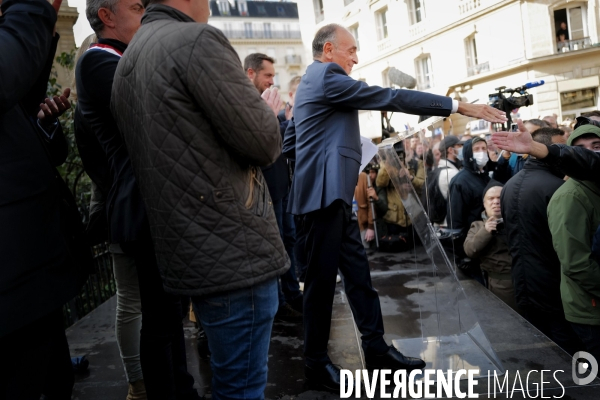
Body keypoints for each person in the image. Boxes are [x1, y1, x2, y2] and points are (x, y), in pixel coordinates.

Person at [282, 23, 506, 391]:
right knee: (321, 287)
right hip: (323, 200)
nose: (356, 57)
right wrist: (458, 105)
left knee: (359, 278)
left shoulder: (311, 84)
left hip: (329, 196)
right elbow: (389, 96)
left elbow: (291, 144)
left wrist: (335, 155)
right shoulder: (327, 76)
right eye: (350, 49)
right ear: (327, 50)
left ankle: (375, 349)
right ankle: (315, 364)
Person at [110, 0, 288, 398]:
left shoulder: (129, 60)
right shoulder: (196, 40)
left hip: (187, 249)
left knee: (230, 381)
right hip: (234, 250)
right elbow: (262, 143)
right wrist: (267, 114)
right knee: (241, 388)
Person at [75, 0, 179, 398]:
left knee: (165, 317)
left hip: (145, 201)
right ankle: (149, 388)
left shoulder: (117, 57)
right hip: (136, 205)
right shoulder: (98, 60)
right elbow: (160, 101)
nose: (146, 15)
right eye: (137, 7)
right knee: (152, 316)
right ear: (107, 16)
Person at [0, 0, 90, 398]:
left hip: (30, 275)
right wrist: (33, 7)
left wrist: (44, 121)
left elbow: (15, 101)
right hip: (13, 281)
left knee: (55, 380)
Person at [500, 128, 581, 355]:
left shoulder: (510, 185)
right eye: (559, 148)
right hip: (554, 284)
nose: (564, 154)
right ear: (542, 149)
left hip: (524, 282)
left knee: (541, 349)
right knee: (566, 347)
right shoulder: (558, 188)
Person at [244, 53, 303, 320]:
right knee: (275, 245)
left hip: (282, 185)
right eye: (267, 75)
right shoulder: (244, 105)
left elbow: (280, 142)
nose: (272, 81)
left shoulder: (273, 104)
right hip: (263, 189)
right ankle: (279, 303)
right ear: (250, 73)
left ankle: (293, 294)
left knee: (289, 239)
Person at [548, 125, 600, 361]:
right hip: (590, 310)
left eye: (596, 147)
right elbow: (576, 263)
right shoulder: (570, 197)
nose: (589, 153)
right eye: (580, 149)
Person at [464, 181, 519, 312]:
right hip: (500, 285)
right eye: (491, 199)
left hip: (525, 282)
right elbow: (470, 250)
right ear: (484, 204)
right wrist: (485, 231)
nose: (495, 202)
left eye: (499, 198)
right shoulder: (477, 226)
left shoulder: (518, 221)